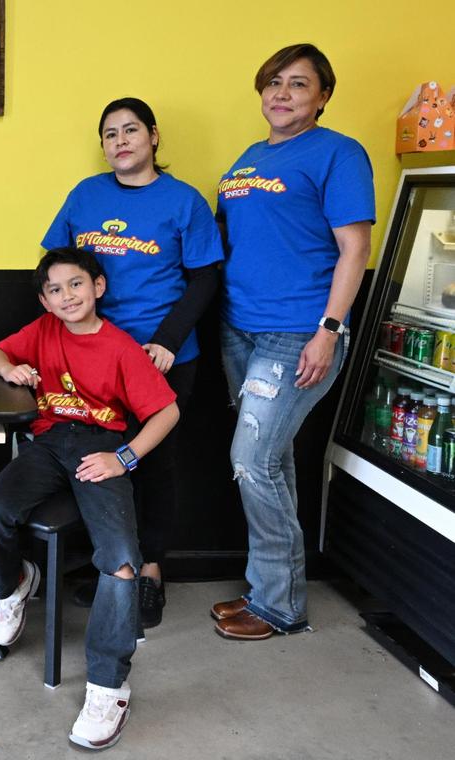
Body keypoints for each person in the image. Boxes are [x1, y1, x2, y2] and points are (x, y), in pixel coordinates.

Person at [0, 248, 179, 750]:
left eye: (77, 285)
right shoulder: (41, 332)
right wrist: (10, 371)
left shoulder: (121, 347)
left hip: (99, 449)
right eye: (56, 289)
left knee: (121, 562)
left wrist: (123, 458)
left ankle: (108, 687)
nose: (68, 296)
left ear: (98, 287)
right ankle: (14, 584)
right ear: (44, 300)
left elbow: (167, 413)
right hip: (47, 445)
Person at [211, 43, 373, 640]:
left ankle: (280, 606)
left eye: (298, 84)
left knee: (251, 461)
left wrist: (328, 331)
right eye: (274, 83)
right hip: (239, 328)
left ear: (323, 96)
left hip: (298, 332)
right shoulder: (250, 156)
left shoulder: (339, 153)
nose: (282, 94)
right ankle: (268, 590)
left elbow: (355, 249)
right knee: (269, 460)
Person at [41, 97, 223, 630]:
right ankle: (111, 568)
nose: (120, 141)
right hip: (92, 356)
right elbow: (54, 267)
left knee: (150, 465)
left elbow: (206, 277)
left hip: (160, 357)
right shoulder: (85, 195)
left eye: (131, 130)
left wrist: (168, 339)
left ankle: (149, 572)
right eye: (110, 134)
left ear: (154, 136)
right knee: (98, 460)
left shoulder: (183, 200)